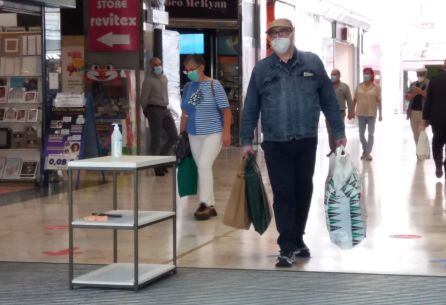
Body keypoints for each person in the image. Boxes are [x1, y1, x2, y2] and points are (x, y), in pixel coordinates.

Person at [240, 18, 346, 267]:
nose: (278, 37)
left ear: (292, 33)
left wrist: (338, 132)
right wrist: (246, 140)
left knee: (303, 191)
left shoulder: (312, 63)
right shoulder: (262, 69)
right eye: (273, 33)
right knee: (284, 192)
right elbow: (251, 107)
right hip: (276, 142)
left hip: (307, 140)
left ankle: (297, 238)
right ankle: (286, 246)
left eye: (282, 32)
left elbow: (329, 101)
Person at [180, 54, 232, 221]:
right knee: (202, 168)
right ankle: (210, 205)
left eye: (191, 69)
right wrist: (182, 134)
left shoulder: (213, 85)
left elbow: (226, 110)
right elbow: (185, 112)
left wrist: (226, 133)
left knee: (203, 165)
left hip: (213, 132)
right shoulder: (189, 87)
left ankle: (204, 203)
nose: (188, 72)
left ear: (201, 67)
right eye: (186, 69)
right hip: (193, 133)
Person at [140, 57, 179, 176]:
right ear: (151, 66)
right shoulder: (148, 80)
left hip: (165, 109)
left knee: (173, 136)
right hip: (153, 109)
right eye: (155, 65)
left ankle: (161, 160)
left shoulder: (164, 78)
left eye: (159, 64)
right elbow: (144, 98)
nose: (158, 66)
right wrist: (145, 111)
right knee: (156, 139)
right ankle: (156, 166)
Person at [352, 67, 382, 161]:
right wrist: (351, 111)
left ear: (372, 75)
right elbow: (354, 100)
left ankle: (367, 154)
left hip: (371, 114)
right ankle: (365, 150)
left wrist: (381, 114)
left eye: (368, 73)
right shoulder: (359, 86)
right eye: (365, 73)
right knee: (361, 134)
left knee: (371, 134)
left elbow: (379, 101)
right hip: (360, 113)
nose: (366, 75)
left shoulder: (376, 87)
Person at [423, 60, 446, 178]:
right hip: (438, 117)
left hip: (437, 117)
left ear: (444, 66)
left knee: (437, 141)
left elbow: (429, 100)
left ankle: (438, 164)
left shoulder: (435, 79)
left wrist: (425, 117)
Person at [326, 69, 353, 155]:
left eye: (334, 74)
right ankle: (333, 150)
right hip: (329, 113)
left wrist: (351, 112)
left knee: (340, 133)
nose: (332, 76)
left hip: (340, 113)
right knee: (330, 133)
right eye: (331, 74)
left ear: (339, 76)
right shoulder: (327, 86)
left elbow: (349, 100)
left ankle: (341, 150)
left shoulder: (344, 87)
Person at [405, 67, 429, 146]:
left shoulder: (430, 84)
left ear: (425, 74)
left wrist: (421, 92)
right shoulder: (413, 84)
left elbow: (431, 97)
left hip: (424, 113)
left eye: (421, 74)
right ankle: (419, 153)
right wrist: (413, 94)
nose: (419, 76)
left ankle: (422, 153)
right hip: (412, 112)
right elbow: (407, 97)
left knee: (421, 133)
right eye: (418, 74)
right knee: (415, 134)